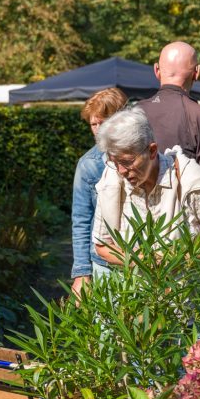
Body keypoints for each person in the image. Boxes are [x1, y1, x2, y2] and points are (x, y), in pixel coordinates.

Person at [91, 108, 200, 264]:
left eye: (127, 162)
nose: (121, 171)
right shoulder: (111, 182)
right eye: (114, 162)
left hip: (186, 279)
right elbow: (102, 245)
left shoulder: (190, 182)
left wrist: (181, 260)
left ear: (152, 151)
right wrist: (139, 262)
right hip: (133, 280)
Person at [138, 41, 200, 197]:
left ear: (156, 70)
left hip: (137, 210)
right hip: (184, 210)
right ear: (197, 72)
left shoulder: (132, 114)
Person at [70, 87, 129, 296]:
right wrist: (82, 273)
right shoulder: (89, 164)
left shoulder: (146, 156)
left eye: (102, 123)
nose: (96, 130)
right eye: (93, 124)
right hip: (104, 263)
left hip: (144, 260)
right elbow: (81, 219)